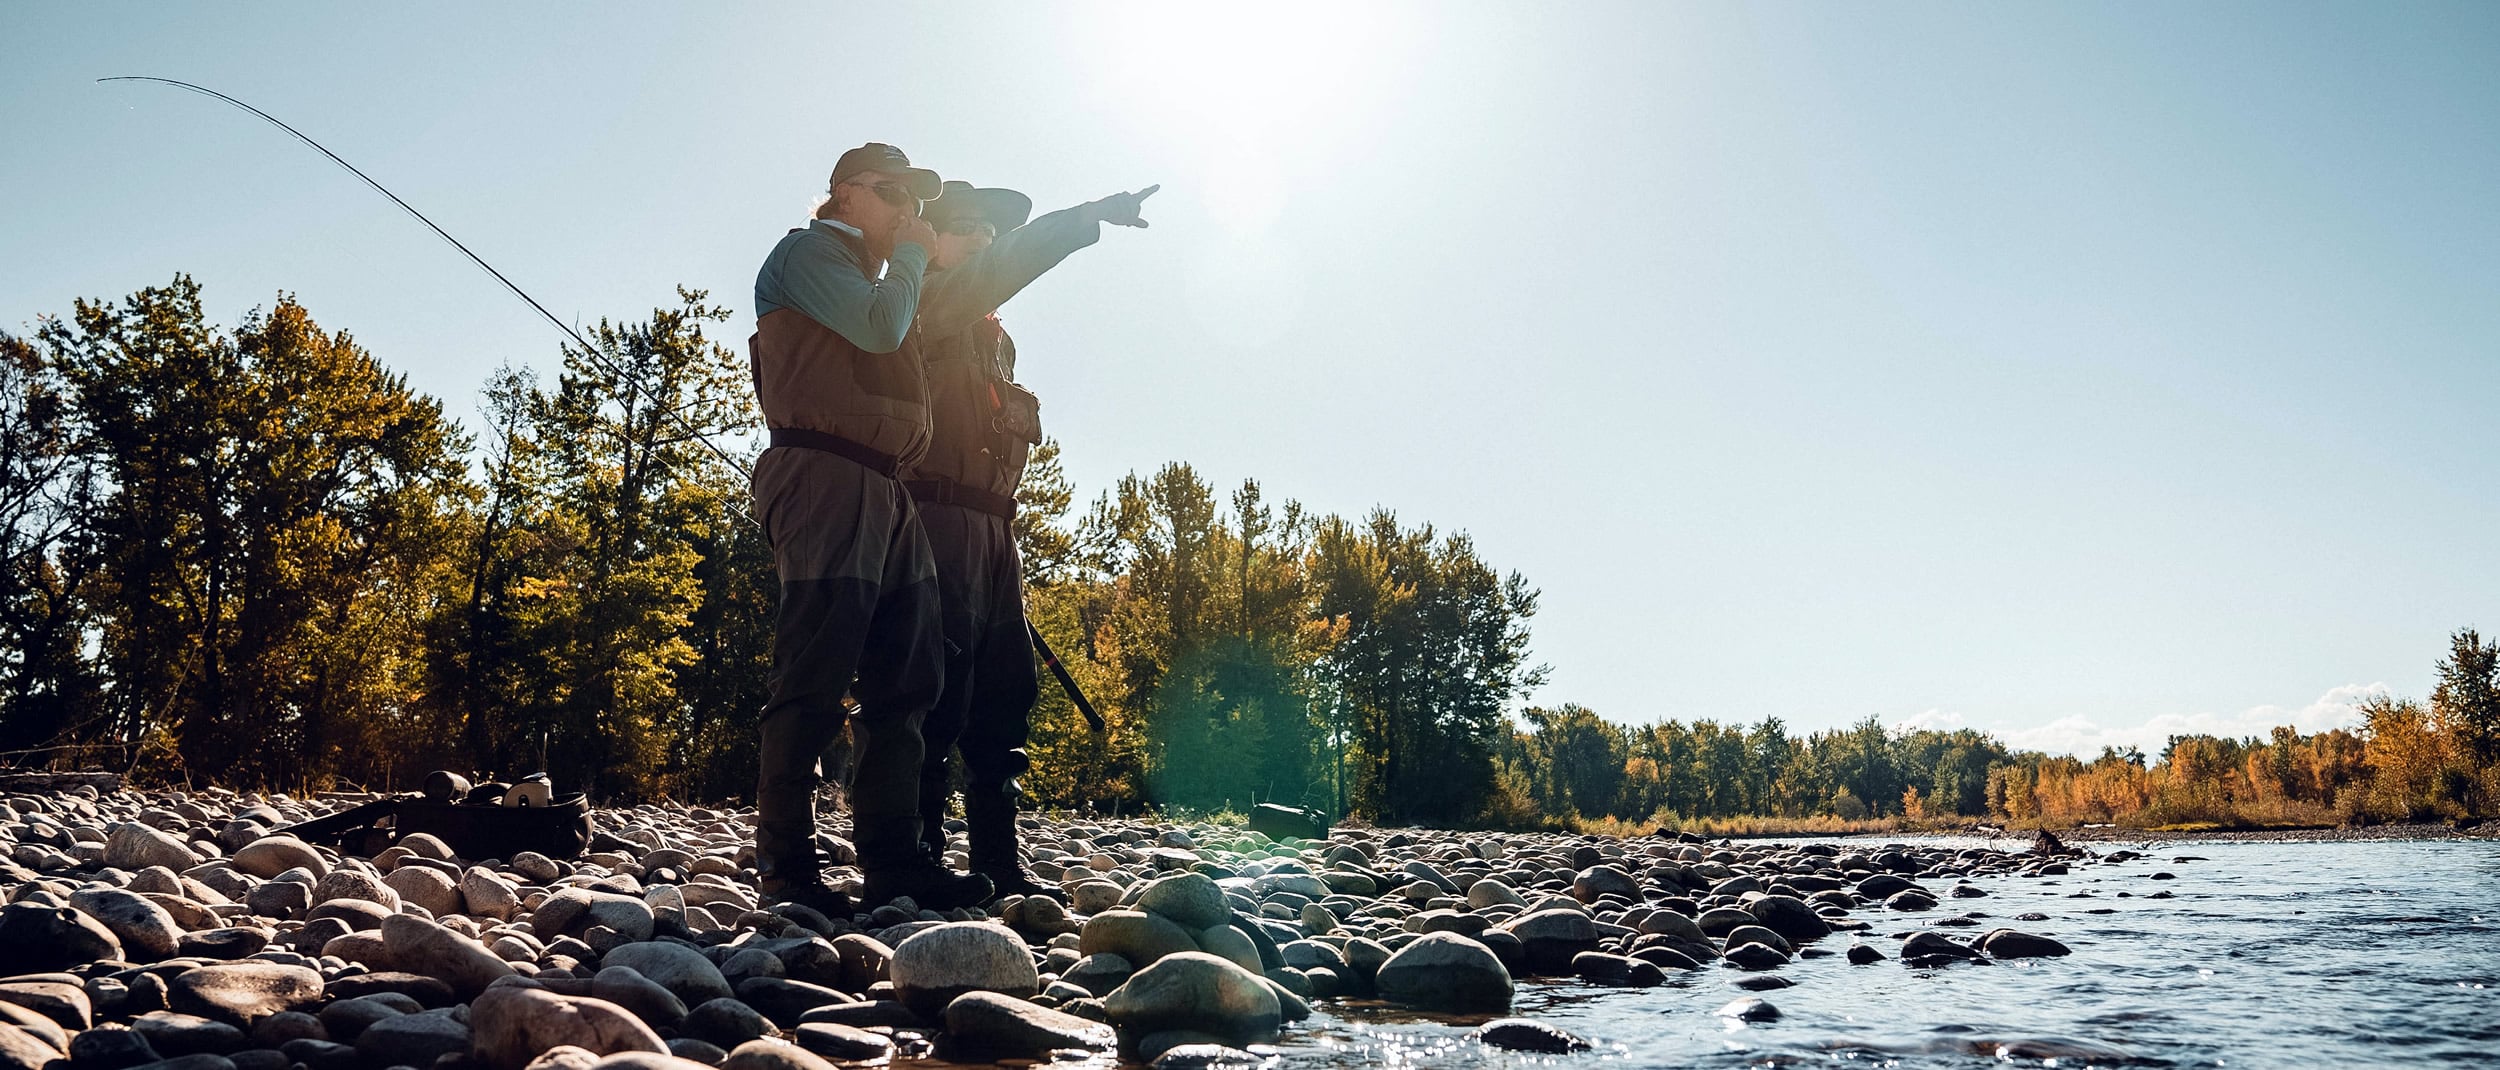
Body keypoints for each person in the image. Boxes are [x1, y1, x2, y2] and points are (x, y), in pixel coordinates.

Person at [748, 143, 993, 913]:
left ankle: (893, 861)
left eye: (917, 201)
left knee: (911, 674)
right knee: (815, 675)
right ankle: (788, 871)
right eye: (895, 195)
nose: (909, 213)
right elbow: (883, 329)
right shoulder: (808, 256)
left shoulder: (873, 272)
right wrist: (917, 259)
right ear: (847, 194)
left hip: (887, 490)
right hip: (823, 477)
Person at [903, 178, 1158, 899]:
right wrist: (1084, 219)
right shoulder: (930, 303)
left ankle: (996, 859)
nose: (983, 237)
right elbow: (1004, 269)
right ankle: (917, 855)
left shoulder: (996, 339)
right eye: (967, 226)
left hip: (995, 530)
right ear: (932, 238)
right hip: (933, 520)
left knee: (1007, 690)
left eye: (991, 228)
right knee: (934, 691)